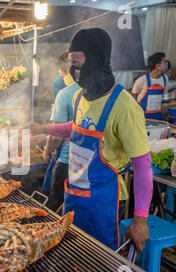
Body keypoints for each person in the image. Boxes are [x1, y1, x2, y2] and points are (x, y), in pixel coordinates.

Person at [25, 28, 151, 253]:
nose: (73, 69)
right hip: (75, 196)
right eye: (71, 63)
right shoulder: (78, 97)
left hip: (105, 203)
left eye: (77, 62)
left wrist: (140, 220)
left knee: (100, 262)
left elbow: (143, 166)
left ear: (96, 60)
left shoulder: (125, 106)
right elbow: (76, 129)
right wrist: (45, 128)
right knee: (71, 259)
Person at [41, 53, 81, 212]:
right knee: (76, 209)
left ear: (66, 70)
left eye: (60, 72)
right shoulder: (92, 92)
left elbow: (56, 135)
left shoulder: (64, 94)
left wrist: (47, 150)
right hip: (86, 164)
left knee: (56, 209)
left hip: (66, 161)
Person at [132, 52, 169, 120]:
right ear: (158, 66)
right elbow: (133, 99)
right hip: (142, 117)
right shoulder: (142, 80)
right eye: (164, 62)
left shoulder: (165, 79)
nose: (167, 64)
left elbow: (163, 98)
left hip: (158, 117)